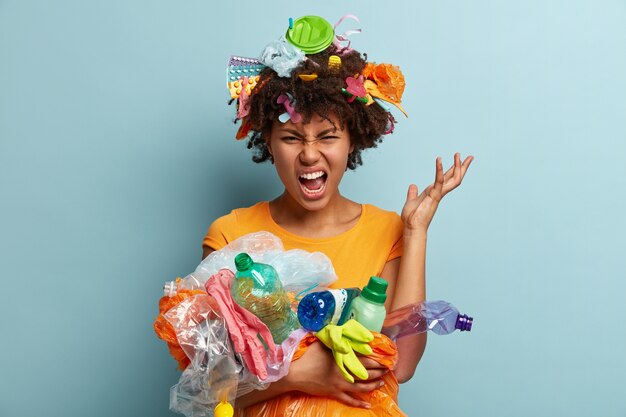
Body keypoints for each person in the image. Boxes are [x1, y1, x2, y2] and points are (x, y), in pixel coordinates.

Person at [202, 15, 472, 415]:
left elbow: (405, 361)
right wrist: (298, 374)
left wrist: (415, 233)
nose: (310, 154)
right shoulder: (230, 235)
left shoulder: (388, 230)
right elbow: (209, 382)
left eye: (328, 136)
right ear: (269, 143)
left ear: (352, 141)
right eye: (291, 137)